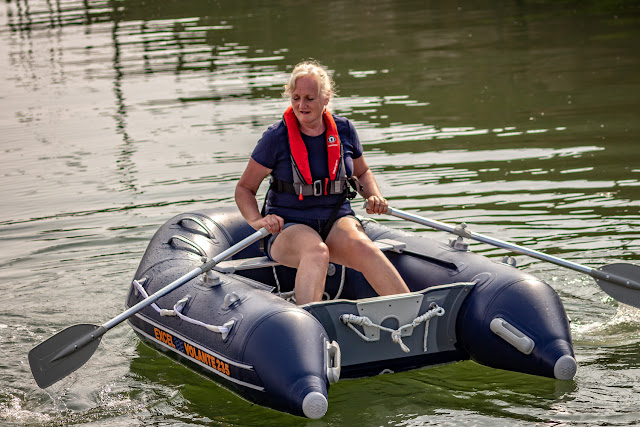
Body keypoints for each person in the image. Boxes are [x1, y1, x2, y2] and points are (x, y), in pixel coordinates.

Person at [235, 60, 409, 304]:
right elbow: (244, 188)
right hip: (289, 225)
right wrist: (257, 221)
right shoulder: (275, 137)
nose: (301, 105)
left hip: (336, 218)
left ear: (325, 98)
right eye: (295, 98)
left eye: (309, 98)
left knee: (366, 248)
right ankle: (307, 331)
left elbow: (362, 172)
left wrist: (373, 195)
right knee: (316, 252)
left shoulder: (344, 129)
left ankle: (415, 315)